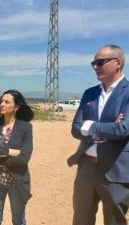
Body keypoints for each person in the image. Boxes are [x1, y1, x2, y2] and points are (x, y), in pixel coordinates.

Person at [68, 44, 129, 225]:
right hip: (86, 167)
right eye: (93, 63)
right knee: (81, 219)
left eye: (100, 62)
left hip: (115, 169)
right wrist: (105, 129)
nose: (95, 67)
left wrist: (90, 126)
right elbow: (75, 128)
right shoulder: (90, 93)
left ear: (118, 63)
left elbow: (123, 129)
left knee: (114, 221)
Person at [0, 90, 34, 225]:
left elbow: (24, 158)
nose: (2, 104)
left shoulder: (25, 127)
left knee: (18, 220)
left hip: (16, 179)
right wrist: (9, 151)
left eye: (7, 102)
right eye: (1, 101)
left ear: (16, 106)